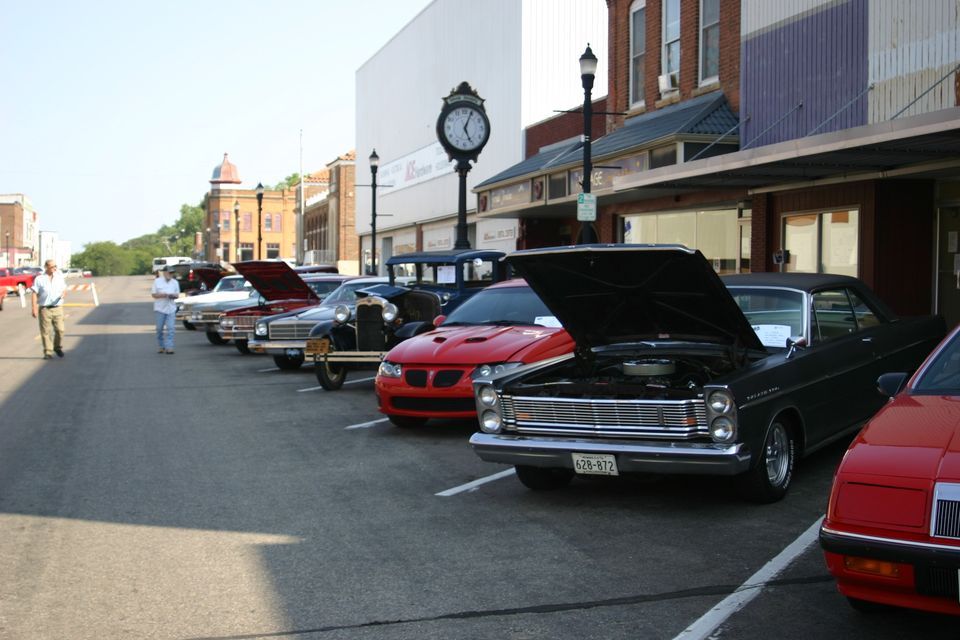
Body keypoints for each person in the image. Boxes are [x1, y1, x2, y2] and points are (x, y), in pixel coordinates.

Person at [30, 259, 67, 359]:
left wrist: (63, 294)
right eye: (52, 267)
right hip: (45, 309)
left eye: (55, 266)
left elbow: (64, 289)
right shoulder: (39, 279)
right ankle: (48, 352)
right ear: (46, 267)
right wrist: (34, 308)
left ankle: (57, 347)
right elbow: (34, 293)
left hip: (58, 307)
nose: (54, 268)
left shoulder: (59, 277)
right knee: (46, 331)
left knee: (60, 330)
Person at [151, 265, 180, 354]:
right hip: (160, 308)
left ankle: (169, 347)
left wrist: (173, 296)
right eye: (169, 272)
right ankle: (161, 346)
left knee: (171, 328)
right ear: (164, 272)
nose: (170, 274)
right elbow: (153, 295)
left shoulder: (175, 282)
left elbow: (177, 295)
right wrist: (163, 295)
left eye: (172, 273)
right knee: (159, 329)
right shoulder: (157, 281)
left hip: (171, 308)